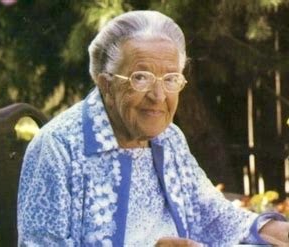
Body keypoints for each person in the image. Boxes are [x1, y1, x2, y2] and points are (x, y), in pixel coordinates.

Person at [17, 10, 289, 246]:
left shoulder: (168, 138)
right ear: (106, 84)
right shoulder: (58, 148)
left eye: (171, 78)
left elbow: (209, 212)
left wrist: (275, 231)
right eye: (141, 77)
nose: (159, 95)